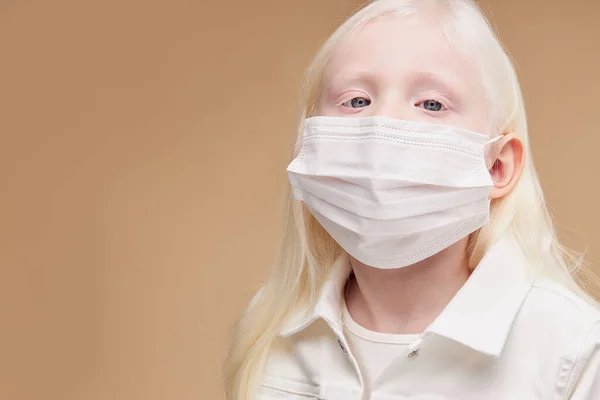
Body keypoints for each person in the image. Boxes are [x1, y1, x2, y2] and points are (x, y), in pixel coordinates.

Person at [224, 0, 600, 398]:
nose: (383, 123)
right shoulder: (273, 327)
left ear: (497, 168)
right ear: (310, 145)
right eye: (356, 101)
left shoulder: (573, 351)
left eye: (432, 104)